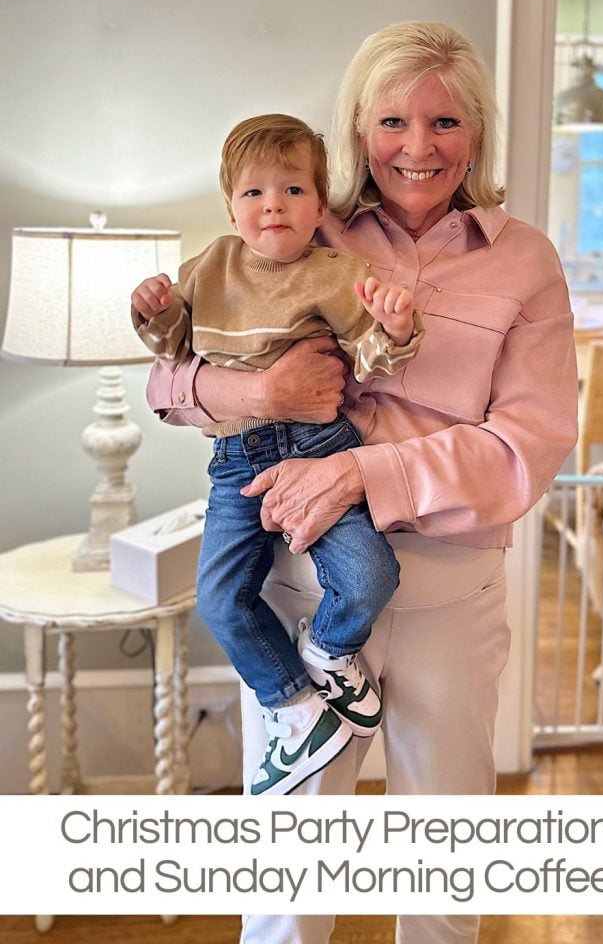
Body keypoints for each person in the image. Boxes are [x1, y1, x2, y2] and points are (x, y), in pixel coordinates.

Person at [145, 21, 578, 944]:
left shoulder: (525, 260)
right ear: (356, 127)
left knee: (443, 864)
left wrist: (358, 471)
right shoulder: (296, 223)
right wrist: (254, 390)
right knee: (290, 873)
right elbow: (167, 383)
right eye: (392, 120)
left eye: (445, 122)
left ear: (478, 134)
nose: (417, 148)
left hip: (447, 597)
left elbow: (526, 446)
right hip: (299, 582)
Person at [131, 113, 424, 797]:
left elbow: (371, 361)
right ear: (231, 207)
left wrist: (397, 325)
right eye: (255, 194)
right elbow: (174, 351)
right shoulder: (209, 267)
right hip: (236, 457)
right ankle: (293, 706)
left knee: (371, 574)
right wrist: (154, 312)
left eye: (292, 191)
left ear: (319, 206)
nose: (273, 207)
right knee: (220, 600)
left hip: (322, 448)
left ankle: (330, 650)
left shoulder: (338, 274)